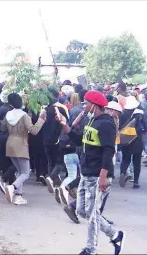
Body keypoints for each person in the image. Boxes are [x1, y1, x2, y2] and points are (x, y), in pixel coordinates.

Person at [60, 90, 124, 255]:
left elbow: (109, 151)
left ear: (94, 105)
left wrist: (103, 175)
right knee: (82, 211)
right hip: (86, 173)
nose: (83, 105)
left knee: (93, 215)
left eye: (86, 103)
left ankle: (90, 249)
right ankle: (115, 234)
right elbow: (80, 140)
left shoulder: (106, 124)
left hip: (98, 175)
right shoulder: (91, 121)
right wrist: (66, 127)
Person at [2, 93, 46, 205]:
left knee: (20, 172)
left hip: (10, 143)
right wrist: (41, 119)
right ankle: (12, 187)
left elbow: (2, 127)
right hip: (21, 143)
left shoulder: (8, 114)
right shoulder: (24, 115)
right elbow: (34, 131)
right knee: (26, 172)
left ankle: (18, 196)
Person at [118, 95, 147, 189]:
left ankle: (122, 174)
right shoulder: (139, 112)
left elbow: (119, 126)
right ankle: (136, 182)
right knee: (137, 162)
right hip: (137, 139)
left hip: (126, 139)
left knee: (125, 159)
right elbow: (145, 127)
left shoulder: (122, 113)